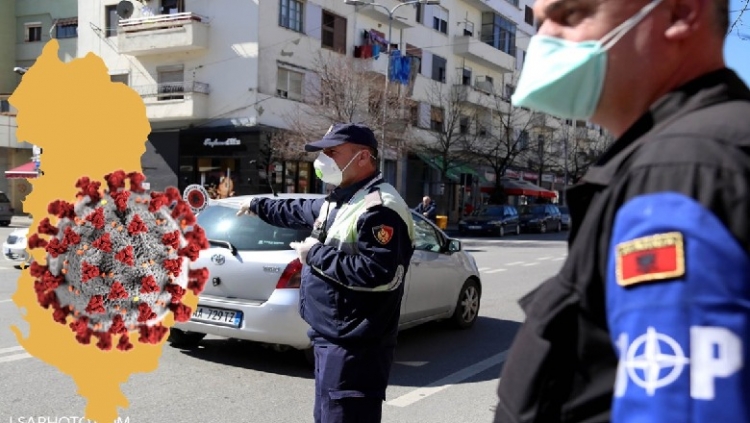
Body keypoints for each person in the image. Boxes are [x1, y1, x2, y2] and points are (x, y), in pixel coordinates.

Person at [494, 1, 750, 422]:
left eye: (572, 15)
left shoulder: (678, 170)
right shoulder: (689, 152)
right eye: (540, 23)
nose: (542, 40)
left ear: (680, 13)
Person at [236, 123, 415, 423]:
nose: (323, 161)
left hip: (355, 345)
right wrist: (258, 205)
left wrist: (314, 254)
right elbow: (297, 209)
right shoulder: (343, 198)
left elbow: (378, 273)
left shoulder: (380, 209)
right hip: (329, 335)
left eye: (332, 152)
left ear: (362, 157)